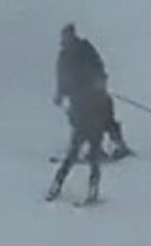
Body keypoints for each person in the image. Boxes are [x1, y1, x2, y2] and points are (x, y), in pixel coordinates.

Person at [54, 23, 132, 160]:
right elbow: (62, 77)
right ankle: (89, 150)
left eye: (69, 35)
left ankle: (119, 145)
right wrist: (60, 94)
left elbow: (97, 64)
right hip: (77, 95)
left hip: (95, 93)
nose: (67, 38)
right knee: (79, 122)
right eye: (65, 35)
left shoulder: (84, 48)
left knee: (105, 118)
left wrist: (100, 80)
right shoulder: (64, 55)